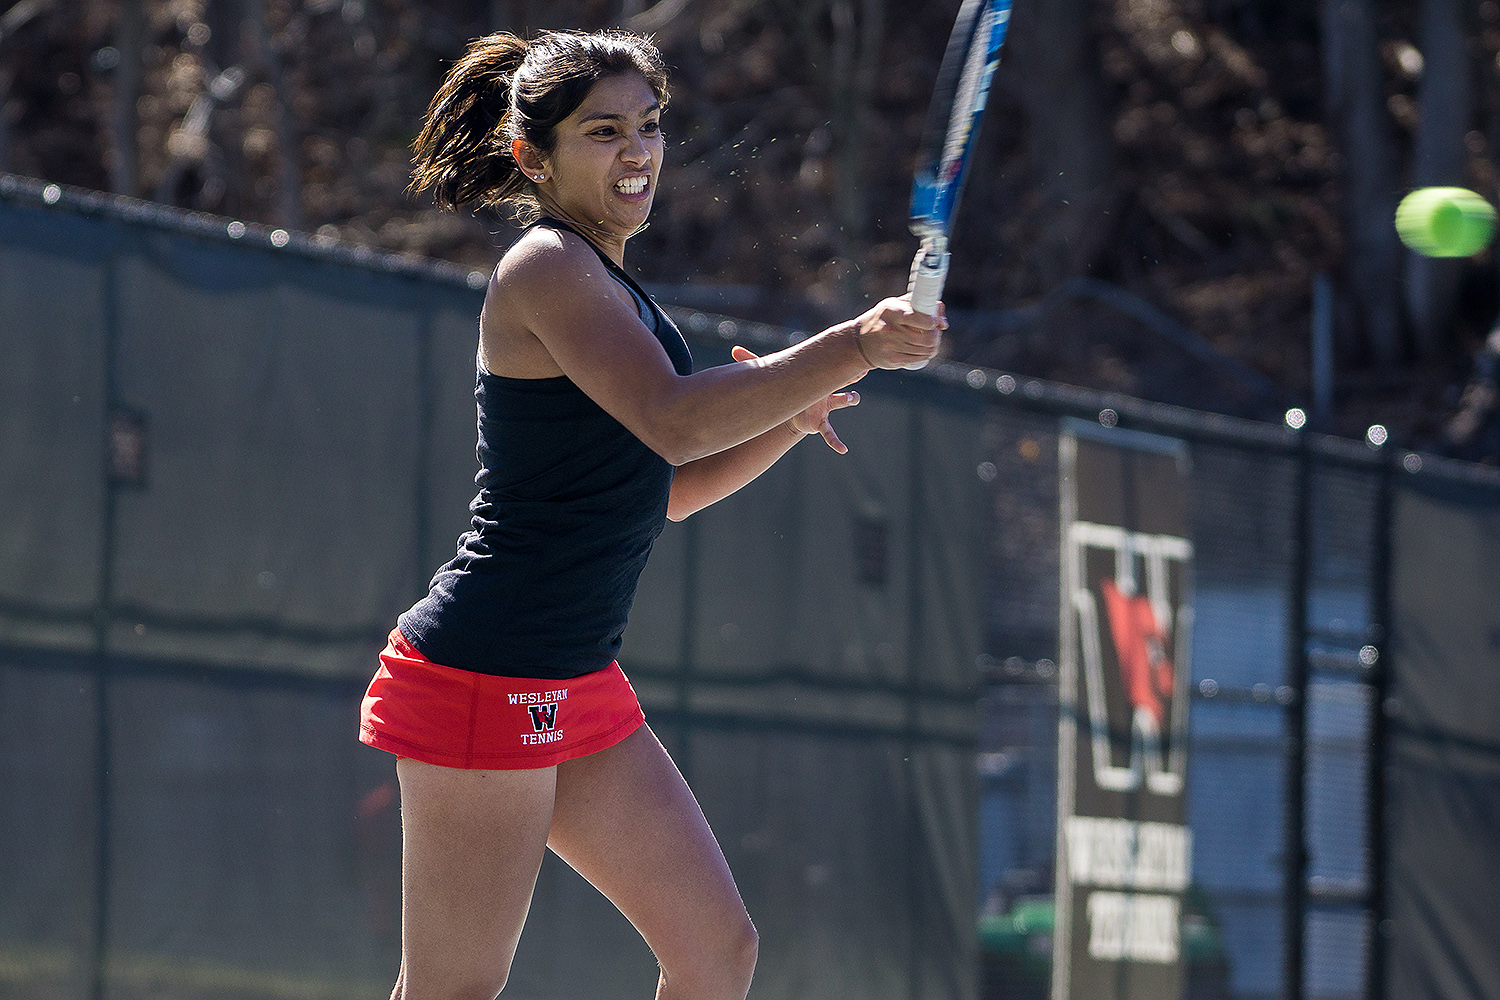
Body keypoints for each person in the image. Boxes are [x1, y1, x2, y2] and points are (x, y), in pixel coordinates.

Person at [358, 27, 944, 1000]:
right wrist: (854, 345)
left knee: (716, 954)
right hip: (483, 671)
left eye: (649, 125)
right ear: (531, 157)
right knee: (453, 991)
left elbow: (655, 490)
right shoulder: (545, 267)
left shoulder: (610, 282)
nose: (637, 152)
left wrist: (786, 423)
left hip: (575, 676)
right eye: (603, 132)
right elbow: (672, 422)